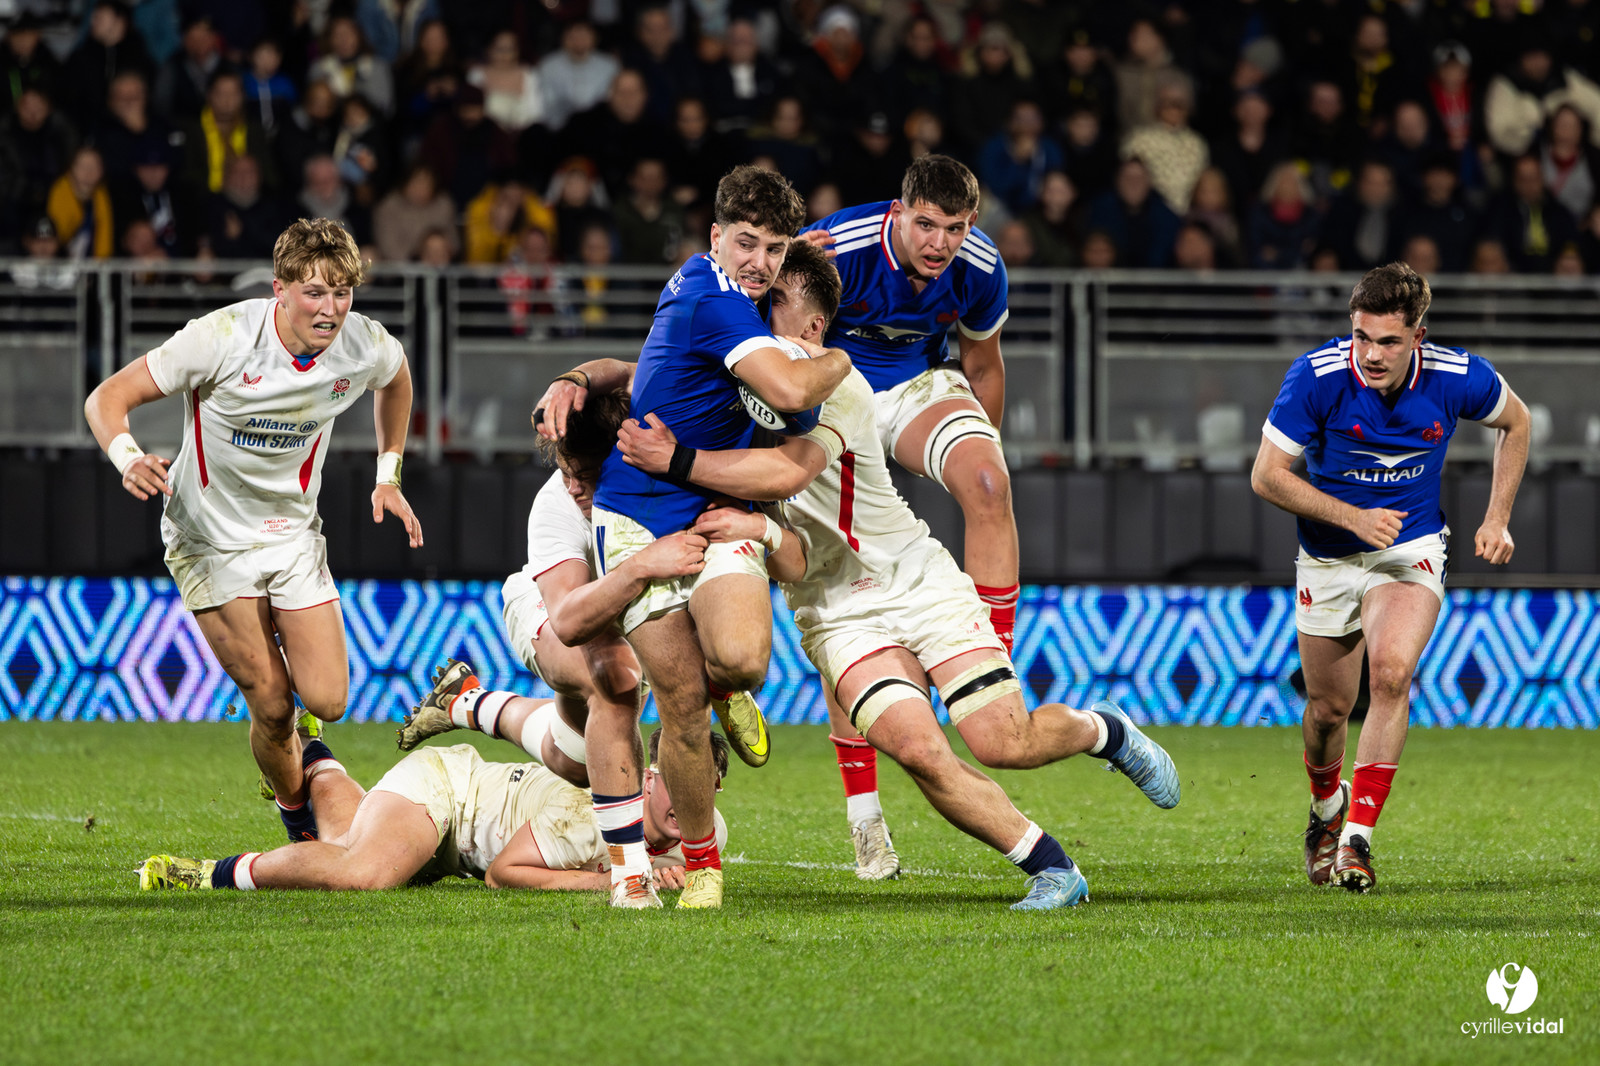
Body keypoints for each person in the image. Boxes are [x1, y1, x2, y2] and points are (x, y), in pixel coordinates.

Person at [549, 241, 1179, 907]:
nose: (753, 320)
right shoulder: (735, 378)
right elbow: (642, 368)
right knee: (917, 748)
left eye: (772, 307)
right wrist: (576, 378)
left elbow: (788, 472)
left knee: (1002, 741)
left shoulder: (836, 387)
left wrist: (676, 462)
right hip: (835, 611)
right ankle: (1053, 868)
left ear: (814, 328)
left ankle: (1104, 729)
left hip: (911, 578)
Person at [547, 165, 851, 909]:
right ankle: (704, 864)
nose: (760, 263)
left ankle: (728, 691)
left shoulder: (731, 303)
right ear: (716, 238)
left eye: (776, 250)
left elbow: (647, 366)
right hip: (636, 512)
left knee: (742, 663)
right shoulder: (719, 303)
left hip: (717, 511)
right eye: (746, 243)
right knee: (673, 700)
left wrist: (584, 373)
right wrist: (842, 357)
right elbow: (784, 392)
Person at [83, 218, 424, 845]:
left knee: (328, 700)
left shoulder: (365, 344)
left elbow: (397, 381)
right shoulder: (220, 338)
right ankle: (298, 821)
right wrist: (129, 457)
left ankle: (301, 748)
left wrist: (389, 474)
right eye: (316, 293)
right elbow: (107, 398)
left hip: (292, 536)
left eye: (343, 292)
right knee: (271, 702)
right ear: (281, 291)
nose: (331, 309)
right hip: (209, 539)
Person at [1251, 262, 1531, 893]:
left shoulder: (1459, 376)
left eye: (1388, 341)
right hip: (1326, 558)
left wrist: (1498, 518)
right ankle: (1325, 808)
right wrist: (1353, 516)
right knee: (1328, 709)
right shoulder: (1316, 377)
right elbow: (1266, 477)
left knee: (1392, 673)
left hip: (1410, 551)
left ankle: (1355, 840)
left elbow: (1518, 422)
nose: (1371, 355)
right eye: (1362, 337)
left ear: (1418, 337)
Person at [397, 390, 712, 907]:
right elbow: (570, 621)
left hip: (628, 607)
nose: (573, 487)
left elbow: (640, 363)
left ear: (624, 454)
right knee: (611, 679)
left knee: (574, 760)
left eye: (585, 474)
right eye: (565, 471)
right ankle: (631, 879)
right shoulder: (555, 506)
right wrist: (641, 565)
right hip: (550, 607)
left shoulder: (665, 467)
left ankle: (468, 702)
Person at [799, 155, 1021, 652]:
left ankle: (991, 656)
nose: (938, 244)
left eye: (954, 228)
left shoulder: (981, 266)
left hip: (916, 386)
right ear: (898, 212)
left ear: (972, 224)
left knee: (990, 485)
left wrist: (985, 448)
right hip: (831, 391)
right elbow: (777, 347)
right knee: (837, 560)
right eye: (925, 224)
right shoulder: (836, 247)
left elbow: (982, 366)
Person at [138, 728, 729, 894]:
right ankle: (207, 873)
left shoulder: (708, 831)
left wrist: (662, 871)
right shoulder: (586, 813)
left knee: (348, 835)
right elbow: (506, 872)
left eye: (707, 788)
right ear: (649, 778)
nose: (694, 801)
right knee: (364, 872)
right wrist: (614, 881)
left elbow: (673, 864)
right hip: (449, 790)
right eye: (682, 781)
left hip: (451, 838)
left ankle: (314, 755)